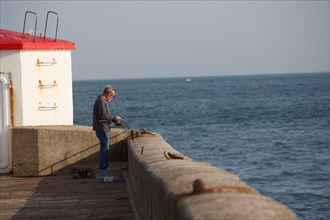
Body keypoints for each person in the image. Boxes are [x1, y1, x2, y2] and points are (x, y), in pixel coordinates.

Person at [93, 85, 122, 170]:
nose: (112, 97)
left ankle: (104, 168)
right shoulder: (102, 101)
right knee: (105, 150)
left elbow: (104, 116)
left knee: (104, 149)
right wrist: (114, 117)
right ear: (109, 94)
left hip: (102, 128)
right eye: (112, 95)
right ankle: (103, 169)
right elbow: (103, 116)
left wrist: (113, 120)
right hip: (103, 129)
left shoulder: (100, 100)